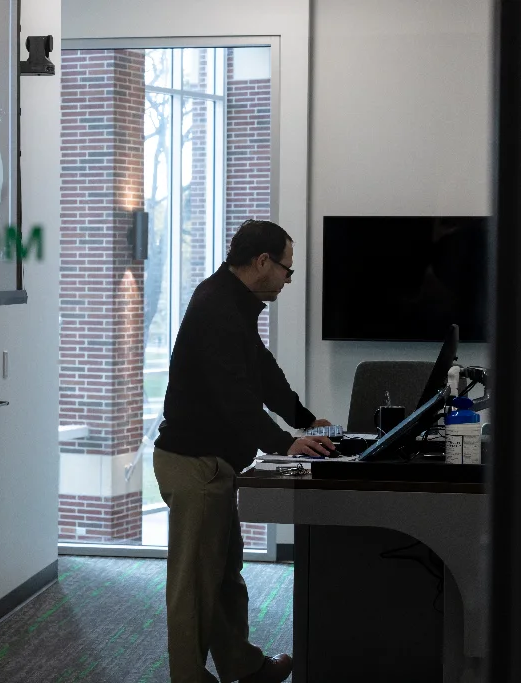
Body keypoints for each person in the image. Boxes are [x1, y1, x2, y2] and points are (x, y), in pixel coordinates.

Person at [153, 219, 335, 683]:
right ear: (262, 263)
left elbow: (261, 369)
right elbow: (234, 395)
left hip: (213, 465)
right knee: (194, 589)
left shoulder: (234, 302)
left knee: (225, 577)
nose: (288, 279)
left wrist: (301, 417)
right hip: (195, 465)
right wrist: (284, 442)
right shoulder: (218, 307)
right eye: (287, 270)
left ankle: (245, 667)